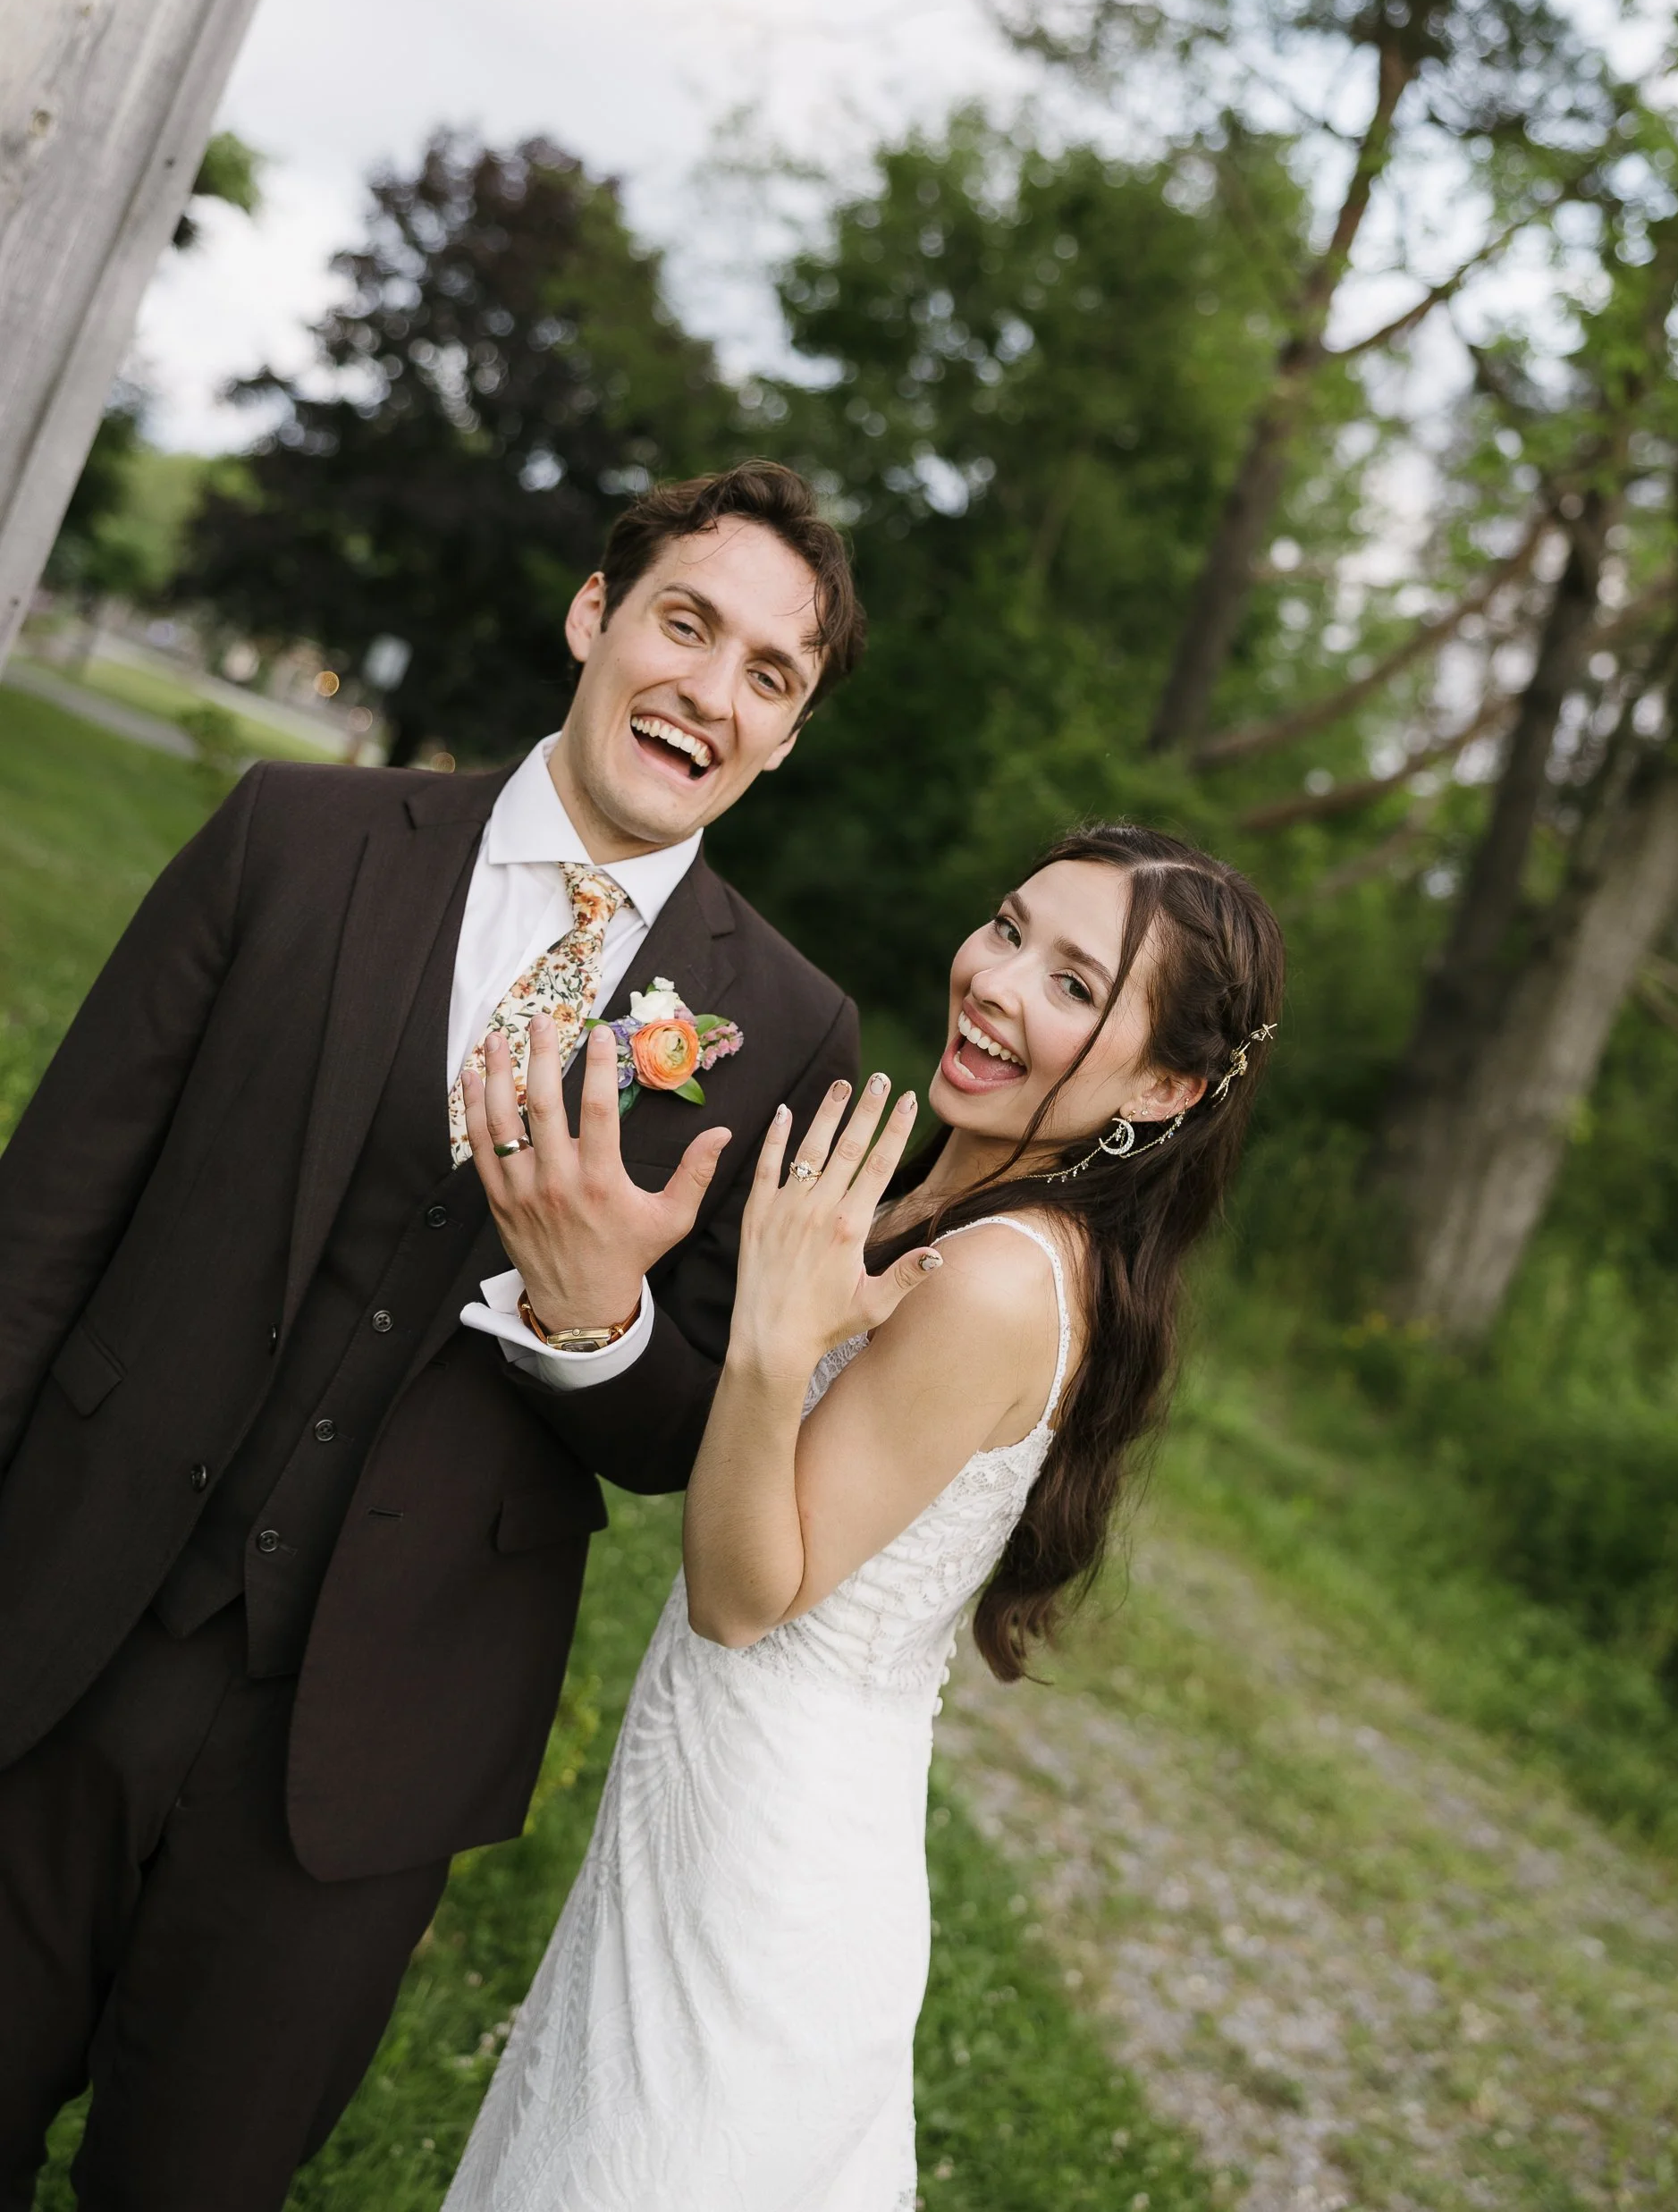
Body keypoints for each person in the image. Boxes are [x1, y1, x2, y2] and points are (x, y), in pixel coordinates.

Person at [0, 462, 867, 2211]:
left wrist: (596, 1316)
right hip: (70, 1614)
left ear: (787, 734)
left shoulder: (783, 1025)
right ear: (593, 618)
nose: (711, 688)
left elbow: (694, 1434)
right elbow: (45, 1222)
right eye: (686, 624)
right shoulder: (293, 837)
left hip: (369, 1743)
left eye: (770, 674)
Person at [444, 822, 1284, 2212]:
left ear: (1166, 1083)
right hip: (726, 1788)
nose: (999, 982)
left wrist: (775, 1341)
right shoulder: (946, 1205)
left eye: (1075, 984)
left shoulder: (1003, 1278)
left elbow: (744, 1591)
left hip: (769, 1852)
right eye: (1009, 928)